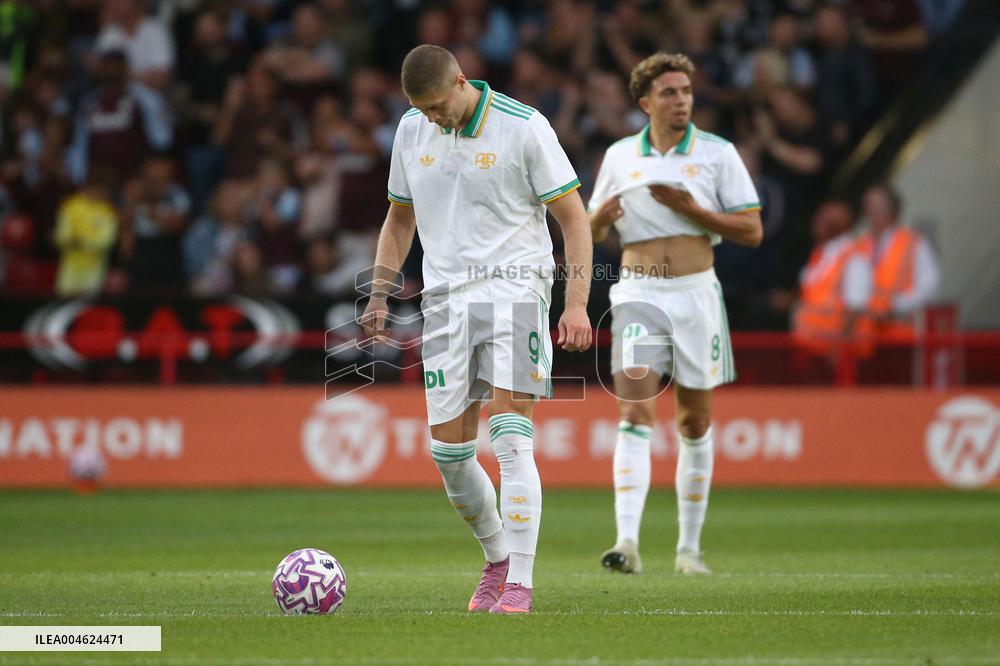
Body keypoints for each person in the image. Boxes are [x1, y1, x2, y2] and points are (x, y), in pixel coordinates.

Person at [361, 45, 592, 614]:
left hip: (516, 288)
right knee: (449, 454)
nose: (433, 118)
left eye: (438, 106)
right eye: (423, 109)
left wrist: (577, 304)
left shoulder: (524, 126)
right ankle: (497, 559)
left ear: (461, 81)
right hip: (444, 300)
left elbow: (573, 219)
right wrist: (379, 292)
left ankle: (521, 584)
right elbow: (399, 219)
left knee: (510, 436)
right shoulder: (412, 129)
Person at [588, 53, 762, 576]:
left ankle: (688, 549)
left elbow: (752, 230)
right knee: (634, 413)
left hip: (695, 294)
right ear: (646, 103)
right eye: (669, 92)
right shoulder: (621, 155)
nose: (681, 100)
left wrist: (693, 211)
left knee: (694, 420)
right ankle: (626, 542)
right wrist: (600, 220)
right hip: (639, 294)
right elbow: (592, 230)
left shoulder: (717, 153)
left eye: (686, 91)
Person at [853, 183, 939, 344]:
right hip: (864, 339)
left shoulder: (913, 242)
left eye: (878, 205)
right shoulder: (857, 246)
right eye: (868, 206)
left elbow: (928, 288)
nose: (872, 211)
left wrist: (892, 306)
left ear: (893, 209)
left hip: (902, 337)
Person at [792, 199, 870, 356]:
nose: (817, 223)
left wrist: (838, 351)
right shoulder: (819, 255)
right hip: (811, 349)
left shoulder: (853, 257)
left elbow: (854, 309)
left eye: (825, 220)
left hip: (837, 354)